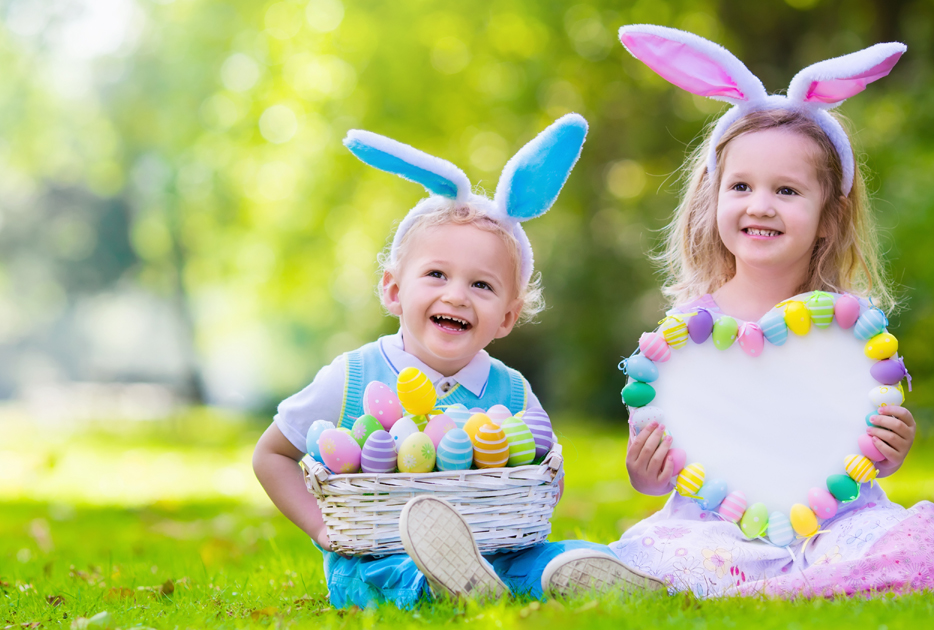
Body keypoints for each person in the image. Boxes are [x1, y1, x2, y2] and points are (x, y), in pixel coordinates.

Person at [610, 25, 934, 599]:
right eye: (740, 186)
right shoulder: (685, 337)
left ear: (828, 218)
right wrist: (646, 470)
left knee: (884, 540)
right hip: (716, 530)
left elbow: (854, 459)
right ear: (712, 197)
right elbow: (656, 476)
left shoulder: (847, 333)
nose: (759, 205)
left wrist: (889, 449)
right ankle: (818, 584)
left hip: (835, 526)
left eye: (786, 191)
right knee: (660, 557)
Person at [252, 114, 663, 609]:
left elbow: (543, 472)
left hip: (495, 549)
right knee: (383, 575)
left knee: (534, 557)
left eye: (482, 285)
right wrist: (324, 527)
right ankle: (438, 585)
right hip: (378, 555)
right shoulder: (354, 375)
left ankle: (564, 570)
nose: (457, 295)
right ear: (393, 289)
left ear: (508, 316)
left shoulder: (511, 392)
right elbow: (271, 455)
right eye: (436, 274)